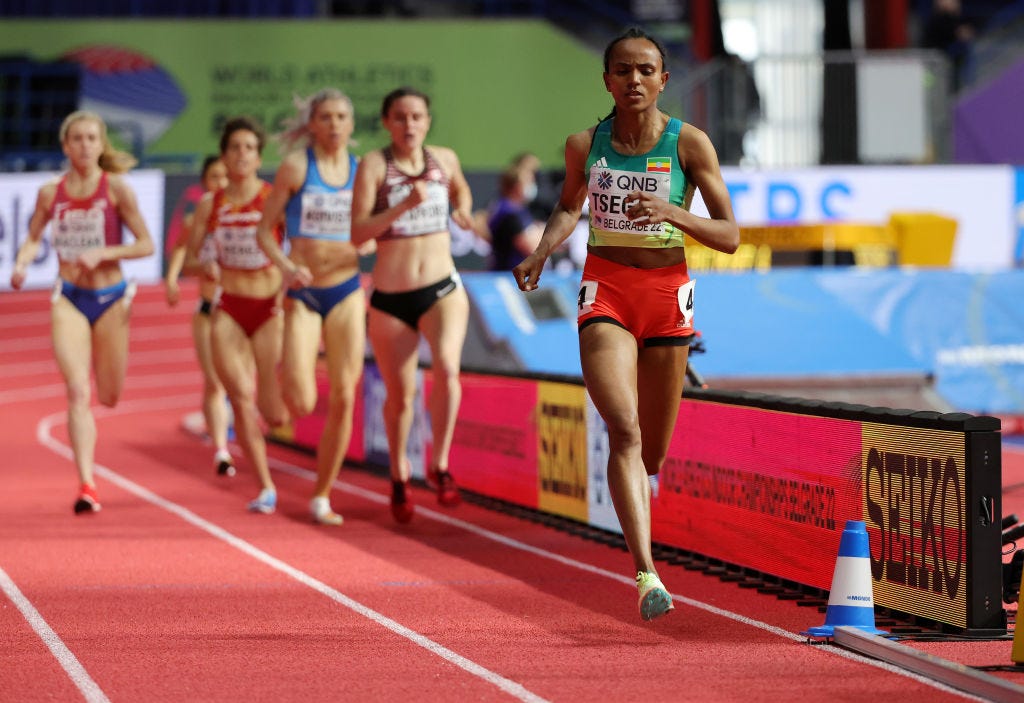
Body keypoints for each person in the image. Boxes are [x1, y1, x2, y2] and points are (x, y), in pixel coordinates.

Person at [513, 28, 740, 620]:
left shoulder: (689, 145)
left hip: (667, 297)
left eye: (646, 71)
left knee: (653, 457)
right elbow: (569, 204)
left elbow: (731, 236)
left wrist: (673, 213)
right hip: (606, 291)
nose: (634, 80)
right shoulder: (584, 144)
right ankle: (647, 574)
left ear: (664, 80)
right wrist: (541, 252)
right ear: (607, 79)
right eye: (623, 70)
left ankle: (677, 376)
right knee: (624, 429)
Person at [9, 110, 155, 514]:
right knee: (77, 391)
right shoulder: (49, 193)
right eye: (78, 139)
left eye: (92, 138)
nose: (86, 145)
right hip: (69, 296)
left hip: (110, 298)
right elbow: (34, 237)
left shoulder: (116, 190)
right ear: (65, 146)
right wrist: (22, 264)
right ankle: (87, 484)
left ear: (101, 143)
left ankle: (89, 475)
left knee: (108, 396)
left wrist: (105, 252)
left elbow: (146, 245)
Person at [350, 86, 473, 523]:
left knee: (447, 368)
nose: (410, 125)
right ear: (387, 122)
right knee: (401, 397)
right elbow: (358, 234)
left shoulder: (445, 158)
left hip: (442, 288)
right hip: (390, 298)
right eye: (400, 117)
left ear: (427, 120)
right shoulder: (374, 165)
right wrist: (404, 203)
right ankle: (401, 473)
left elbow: (461, 191)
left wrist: (461, 209)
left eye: (417, 116)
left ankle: (439, 466)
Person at [256, 89, 367, 526]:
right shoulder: (298, 167)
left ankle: (322, 494)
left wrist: (373, 238)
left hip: (346, 290)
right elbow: (265, 233)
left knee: (344, 395)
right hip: (303, 292)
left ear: (352, 124)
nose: (336, 124)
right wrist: (286, 267)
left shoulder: (363, 171)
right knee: (300, 403)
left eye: (342, 116)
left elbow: (377, 227)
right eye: (326, 117)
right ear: (313, 124)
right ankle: (278, 370)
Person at [188, 116, 288, 515]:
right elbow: (193, 256)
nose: (242, 154)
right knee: (240, 398)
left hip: (267, 308)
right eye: (235, 148)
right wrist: (205, 267)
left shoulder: (273, 197)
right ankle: (265, 486)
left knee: (273, 410)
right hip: (229, 307)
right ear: (225, 156)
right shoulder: (211, 203)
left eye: (249, 148)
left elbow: (294, 245)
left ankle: (269, 426)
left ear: (259, 156)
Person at [164, 155, 235, 478]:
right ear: (204, 183)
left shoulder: (247, 216)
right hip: (208, 312)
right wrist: (173, 279)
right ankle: (221, 449)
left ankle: (232, 432)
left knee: (241, 383)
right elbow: (181, 249)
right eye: (214, 177)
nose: (220, 182)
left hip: (240, 313)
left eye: (225, 176)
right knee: (215, 382)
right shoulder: (198, 221)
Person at [486, 164, 542, 272]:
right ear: (517, 186)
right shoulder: (508, 212)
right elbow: (532, 249)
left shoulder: (519, 209)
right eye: (528, 182)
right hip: (510, 277)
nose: (531, 186)